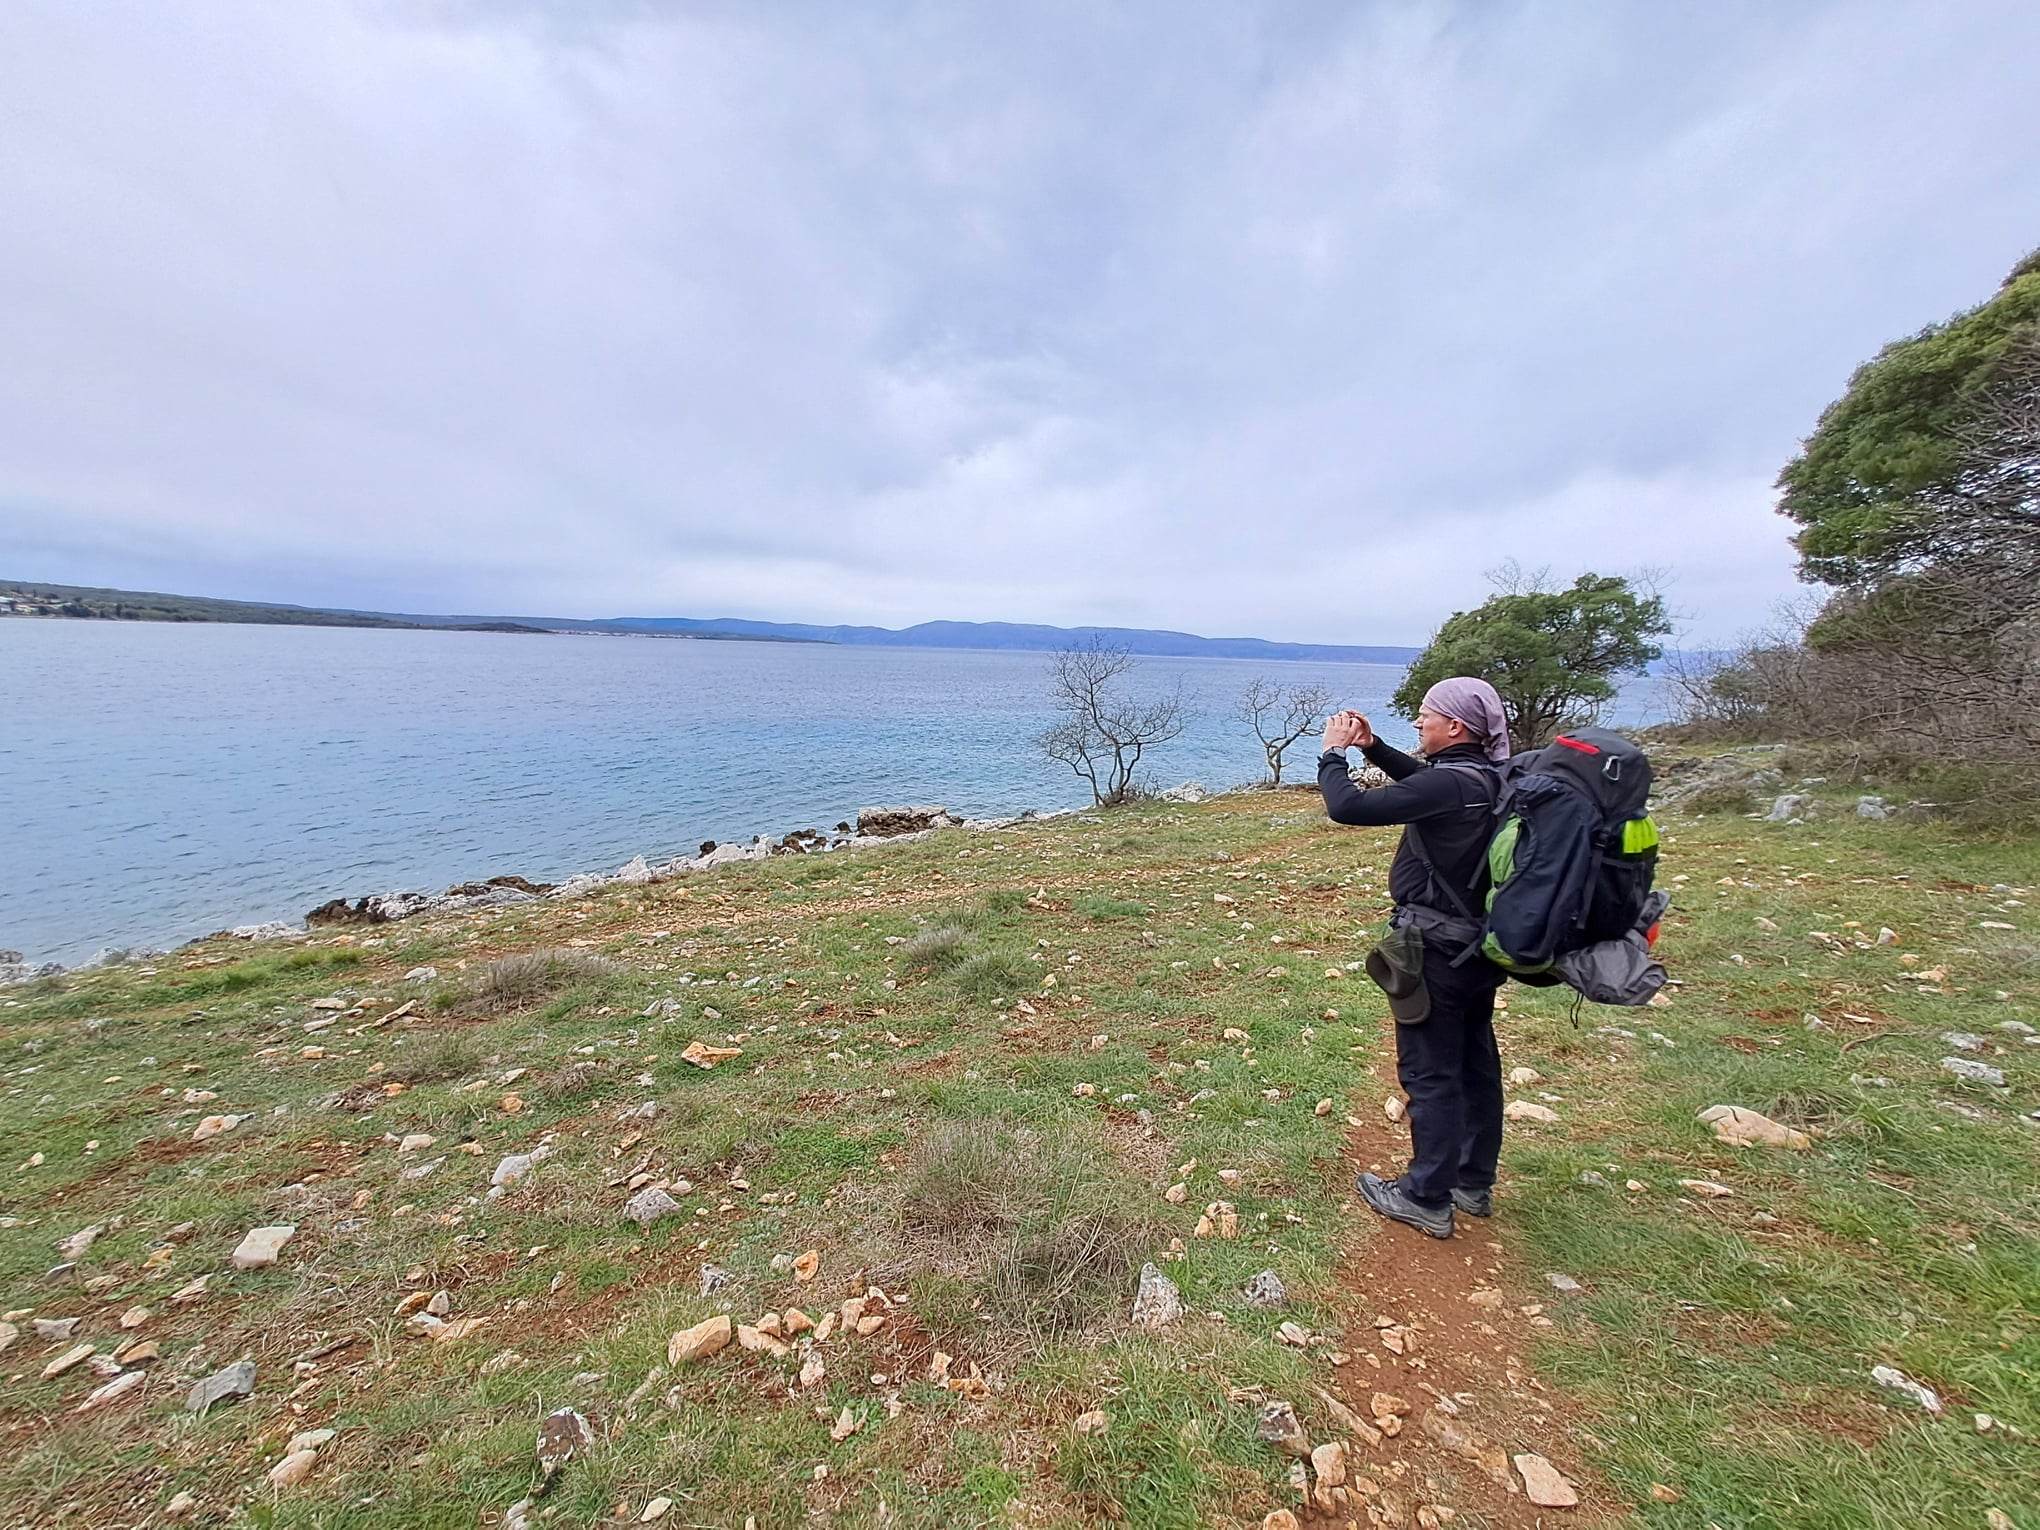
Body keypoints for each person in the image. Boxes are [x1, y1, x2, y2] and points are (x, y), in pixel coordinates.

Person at [1316, 677, 1513, 1239]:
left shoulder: (1451, 784)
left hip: (1436, 950)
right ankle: (1472, 1182)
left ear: (1455, 726)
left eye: (1426, 716)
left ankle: (1426, 1195)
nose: (1419, 723)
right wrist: (1372, 747)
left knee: (1430, 1070)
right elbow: (1427, 783)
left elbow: (1347, 807)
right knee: (1475, 1061)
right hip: (1480, 947)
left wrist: (1333, 752)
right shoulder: (1491, 776)